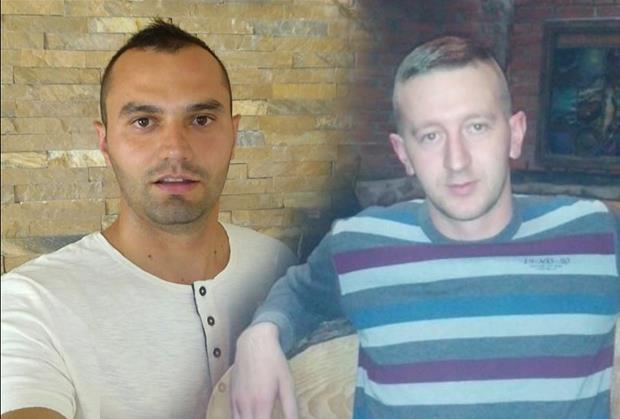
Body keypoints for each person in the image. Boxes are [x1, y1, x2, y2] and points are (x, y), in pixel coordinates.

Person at [231, 36, 620, 419]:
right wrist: (259, 335)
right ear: (404, 153)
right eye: (431, 136)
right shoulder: (361, 246)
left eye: (476, 127)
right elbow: (299, 294)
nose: (457, 160)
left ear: (514, 134)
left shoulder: (594, 236)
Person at [1, 19, 296, 419]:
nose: (175, 150)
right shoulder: (31, 304)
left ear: (233, 133)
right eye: (143, 122)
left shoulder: (281, 267)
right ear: (105, 143)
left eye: (201, 119)